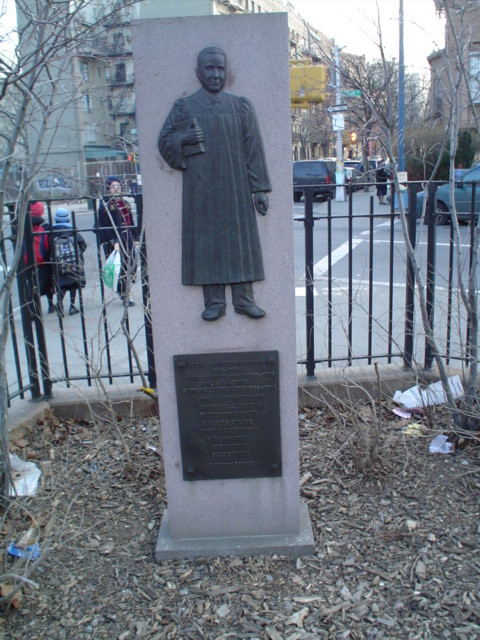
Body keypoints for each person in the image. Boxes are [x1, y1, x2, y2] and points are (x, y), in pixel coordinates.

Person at [158, 46, 271, 321]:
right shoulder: (184, 108)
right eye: (209, 68)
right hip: (201, 189)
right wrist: (183, 138)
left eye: (220, 68)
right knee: (207, 244)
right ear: (198, 72)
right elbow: (164, 142)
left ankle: (244, 300)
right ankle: (215, 302)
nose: (216, 74)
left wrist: (258, 188)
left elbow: (253, 149)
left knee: (240, 241)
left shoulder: (240, 106)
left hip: (236, 187)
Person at [98, 176, 138, 307]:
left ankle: (125, 289)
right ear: (109, 189)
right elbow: (104, 226)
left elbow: (130, 222)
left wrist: (135, 237)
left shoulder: (124, 202)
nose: (116, 189)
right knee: (120, 267)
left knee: (131, 264)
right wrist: (113, 241)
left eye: (118, 186)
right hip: (116, 240)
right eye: (113, 186)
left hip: (128, 238)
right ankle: (124, 294)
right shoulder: (106, 205)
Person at [51, 207, 87, 317]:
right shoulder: (73, 231)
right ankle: (72, 306)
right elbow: (83, 244)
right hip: (74, 263)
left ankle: (60, 304)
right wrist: (78, 253)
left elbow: (48, 249)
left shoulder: (52, 232)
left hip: (59, 264)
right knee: (73, 284)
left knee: (61, 285)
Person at [23, 201, 54, 313]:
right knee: (47, 282)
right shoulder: (45, 228)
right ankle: (50, 304)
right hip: (43, 261)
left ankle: (32, 309)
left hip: (29, 262)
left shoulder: (24, 228)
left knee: (32, 285)